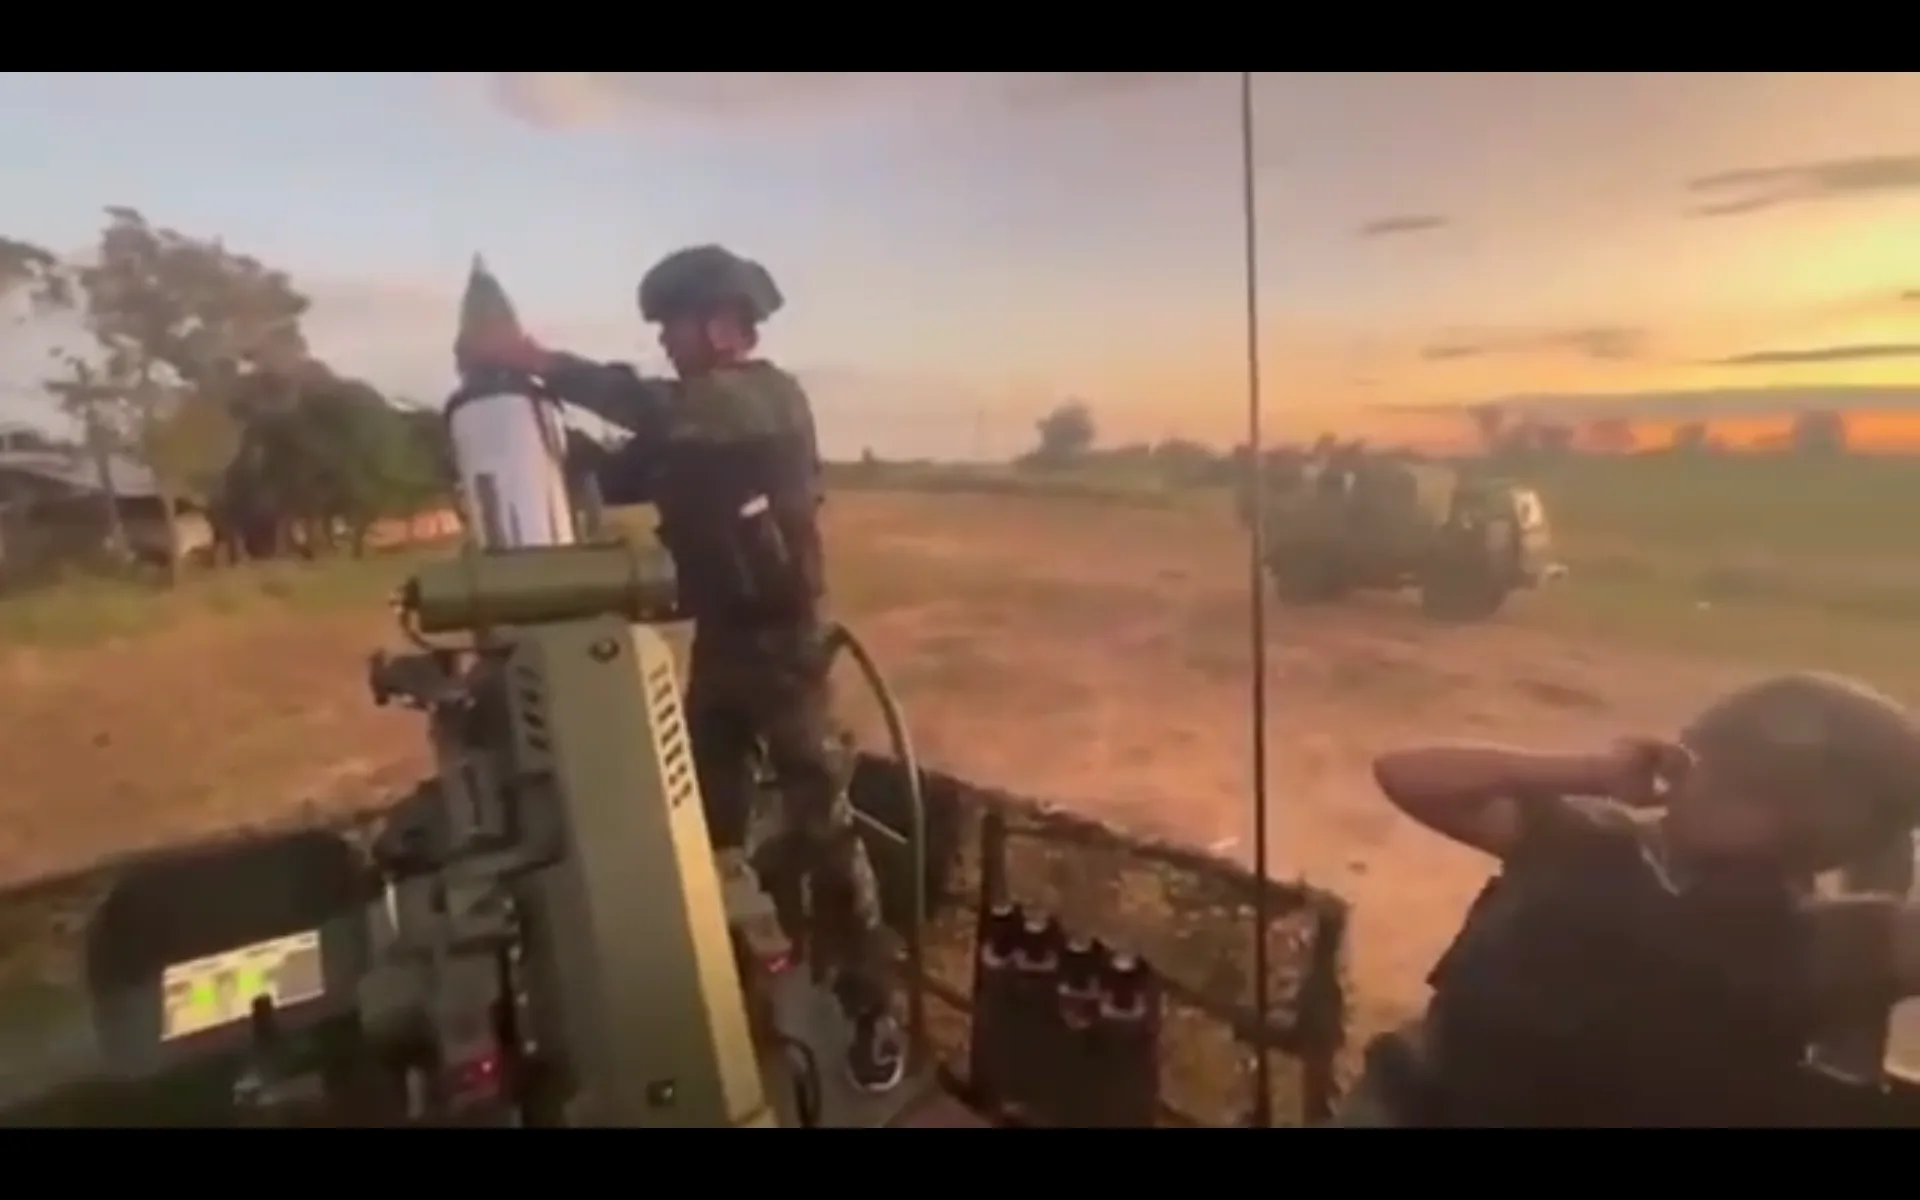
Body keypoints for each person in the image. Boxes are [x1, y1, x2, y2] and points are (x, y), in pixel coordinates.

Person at [458, 244, 905, 1094]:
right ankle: (721, 985)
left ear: (725, 328)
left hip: (787, 656)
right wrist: (519, 421)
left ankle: (870, 1007)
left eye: (674, 325)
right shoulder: (691, 431)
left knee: (823, 829)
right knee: (701, 829)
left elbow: (651, 408)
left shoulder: (762, 398)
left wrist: (538, 361)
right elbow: (618, 463)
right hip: (722, 649)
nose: (664, 339)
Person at [1339, 671, 1920, 1126]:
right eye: (1707, 766)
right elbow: (1408, 776)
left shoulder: (1823, 938)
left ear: (1820, 824)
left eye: (1747, 789)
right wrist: (1591, 771)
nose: (1704, 786)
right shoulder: (1585, 840)